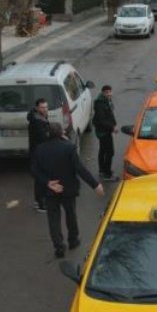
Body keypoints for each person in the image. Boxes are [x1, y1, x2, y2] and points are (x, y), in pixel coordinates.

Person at [31, 122, 104, 258]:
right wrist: (95, 185)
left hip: (50, 191)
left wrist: (47, 183)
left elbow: (34, 170)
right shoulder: (69, 148)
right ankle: (73, 240)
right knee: (71, 215)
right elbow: (80, 169)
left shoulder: (40, 149)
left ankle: (59, 246)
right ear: (61, 133)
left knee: (53, 219)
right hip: (68, 190)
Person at [26, 98, 53, 212]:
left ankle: (40, 201)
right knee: (40, 179)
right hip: (38, 154)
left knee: (41, 178)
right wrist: (56, 135)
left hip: (40, 152)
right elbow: (44, 136)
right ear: (37, 108)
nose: (45, 109)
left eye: (46, 107)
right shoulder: (37, 121)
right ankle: (40, 204)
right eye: (42, 107)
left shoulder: (40, 117)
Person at [93, 85, 117, 180]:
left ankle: (102, 170)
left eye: (110, 92)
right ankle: (107, 174)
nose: (109, 94)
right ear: (103, 93)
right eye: (107, 92)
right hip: (103, 132)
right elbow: (102, 120)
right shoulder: (100, 104)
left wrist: (113, 124)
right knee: (110, 152)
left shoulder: (106, 101)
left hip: (104, 130)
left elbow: (110, 114)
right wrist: (112, 127)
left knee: (102, 150)